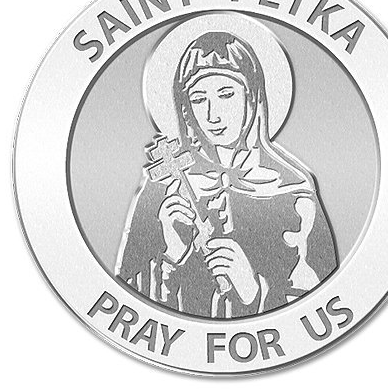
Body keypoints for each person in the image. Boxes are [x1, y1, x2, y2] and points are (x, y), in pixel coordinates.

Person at [115, 31, 337, 318]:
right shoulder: (165, 187)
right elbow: (127, 305)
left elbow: (320, 306)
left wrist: (252, 291)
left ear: (252, 97)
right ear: (185, 110)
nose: (213, 115)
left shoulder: (293, 192)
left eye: (226, 94)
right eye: (198, 99)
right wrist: (172, 255)